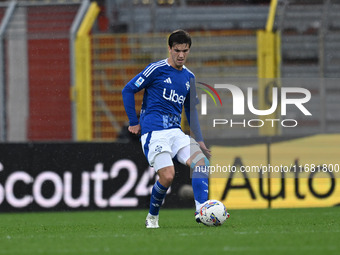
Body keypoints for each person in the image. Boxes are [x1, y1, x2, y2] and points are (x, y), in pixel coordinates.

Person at [122, 29, 211, 228]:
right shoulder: (156, 69)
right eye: (177, 50)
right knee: (168, 176)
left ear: (189, 50)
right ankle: (152, 217)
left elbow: (190, 110)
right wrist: (133, 122)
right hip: (154, 133)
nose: (181, 55)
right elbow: (128, 89)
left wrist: (200, 140)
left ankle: (201, 212)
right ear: (170, 49)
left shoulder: (189, 77)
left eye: (185, 51)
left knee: (202, 162)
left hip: (175, 132)